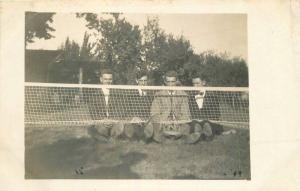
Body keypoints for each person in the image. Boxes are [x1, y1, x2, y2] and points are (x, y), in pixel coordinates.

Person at [149, 70, 193, 143]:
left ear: (177, 82)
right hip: (163, 122)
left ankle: (180, 138)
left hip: (179, 122)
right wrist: (165, 120)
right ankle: (164, 137)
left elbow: (186, 113)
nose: (170, 84)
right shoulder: (159, 94)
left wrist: (178, 121)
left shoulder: (183, 95)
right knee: (155, 124)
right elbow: (154, 112)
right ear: (165, 82)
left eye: (172, 82)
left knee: (187, 126)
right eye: (168, 82)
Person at [87, 68, 126, 141]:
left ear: (112, 80)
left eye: (110, 79)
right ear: (101, 79)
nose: (108, 81)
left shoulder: (118, 93)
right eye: (105, 79)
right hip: (101, 122)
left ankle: (110, 137)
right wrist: (103, 120)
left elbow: (121, 109)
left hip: (114, 121)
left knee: (120, 126)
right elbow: (93, 112)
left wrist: (112, 120)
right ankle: (105, 137)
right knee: (91, 127)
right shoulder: (94, 94)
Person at [188, 76, 224, 140]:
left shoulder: (212, 95)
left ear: (203, 83)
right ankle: (197, 133)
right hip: (196, 120)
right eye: (193, 84)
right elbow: (192, 112)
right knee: (195, 123)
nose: (195, 86)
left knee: (207, 124)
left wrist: (205, 120)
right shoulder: (191, 96)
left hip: (209, 120)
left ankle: (206, 134)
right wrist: (197, 120)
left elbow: (216, 114)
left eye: (197, 83)